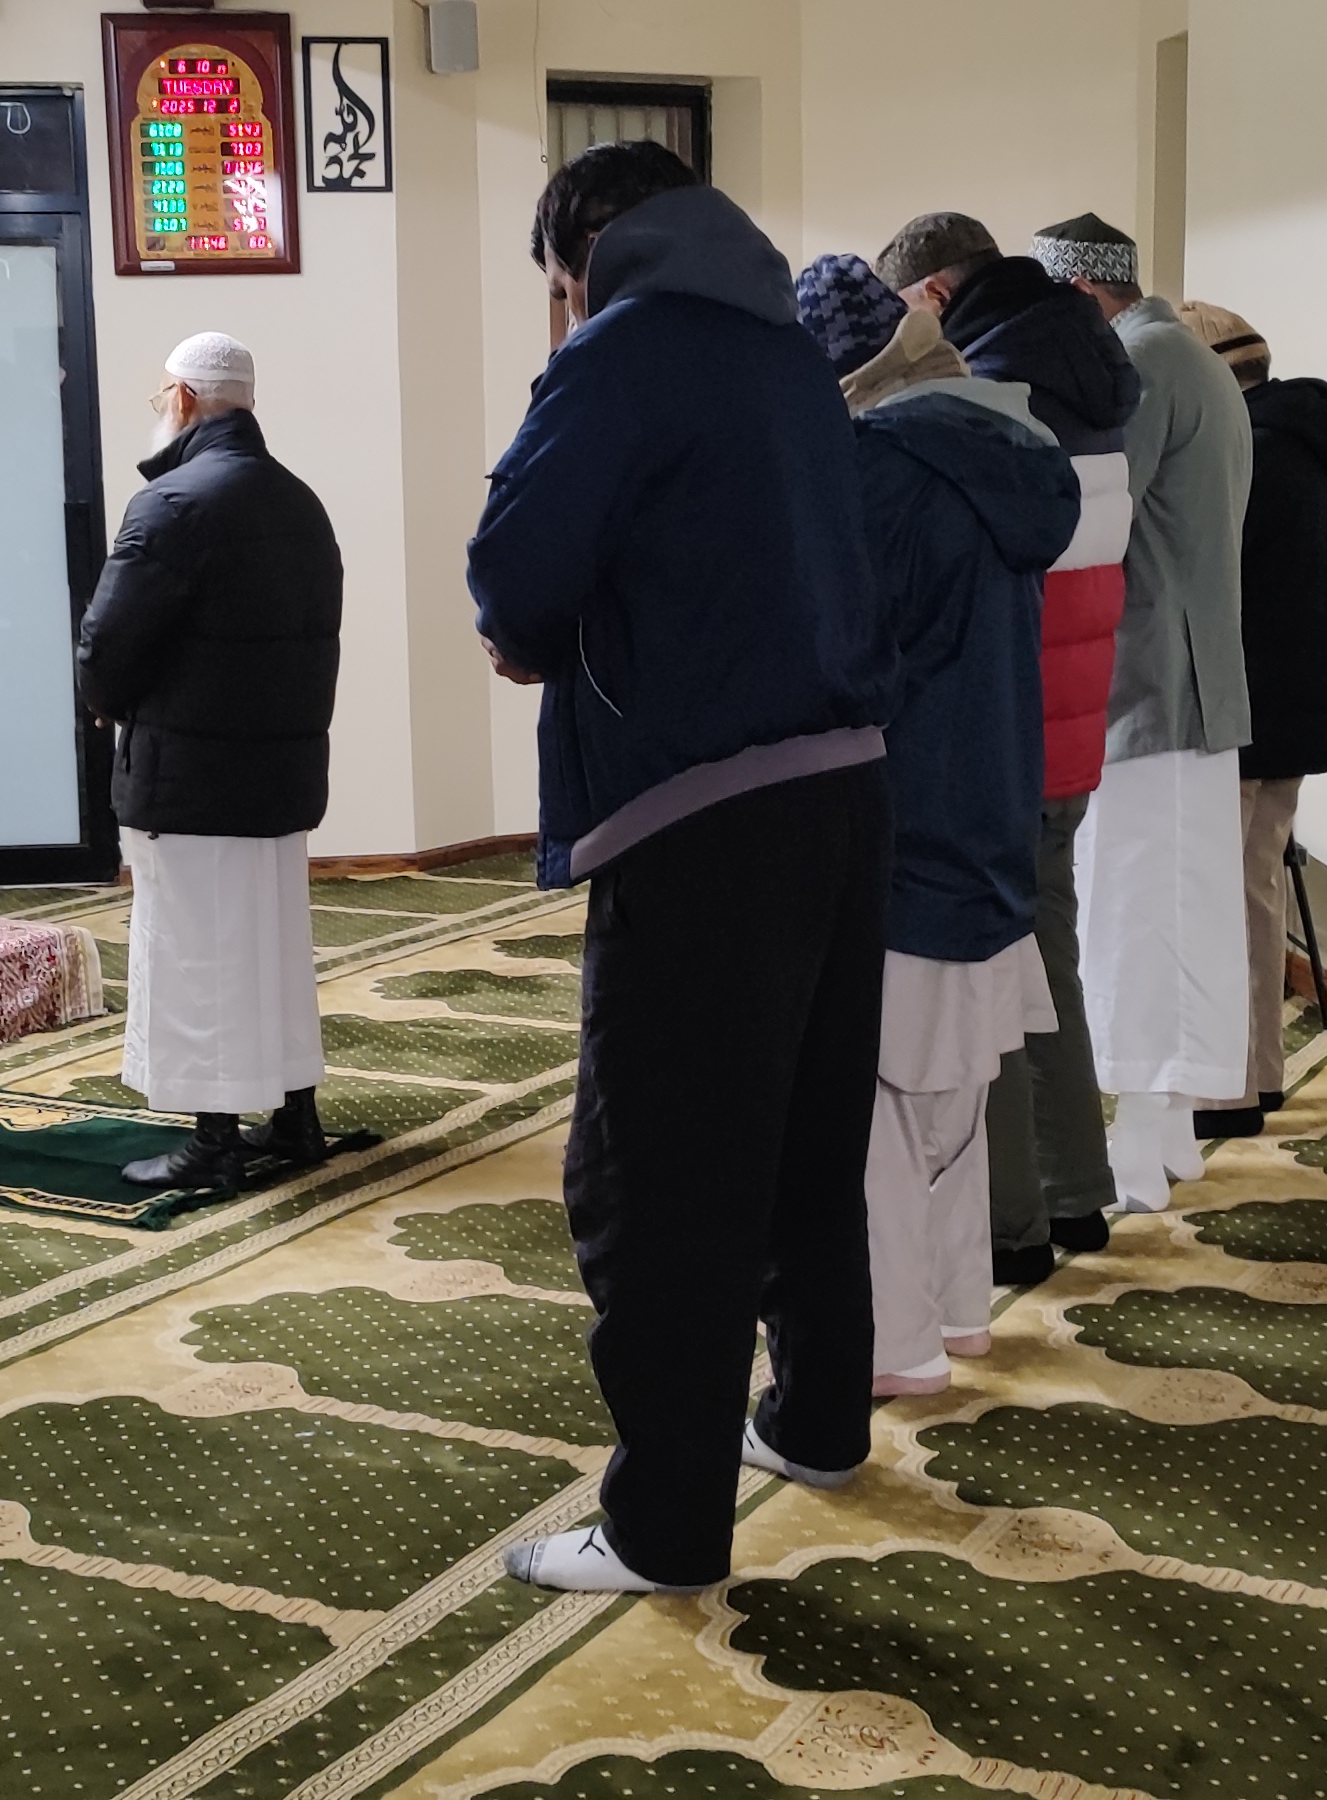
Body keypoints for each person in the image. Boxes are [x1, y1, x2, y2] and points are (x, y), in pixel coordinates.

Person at [467, 143, 894, 1595]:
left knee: (655, 1180)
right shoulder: (788, 352)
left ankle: (663, 1525)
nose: (557, 311)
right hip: (846, 790)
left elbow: (515, 577)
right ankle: (821, 1423)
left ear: (584, 255)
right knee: (804, 1145)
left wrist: (540, 627)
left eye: (554, 286)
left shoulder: (622, 353)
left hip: (698, 815)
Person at [794, 254, 1077, 1397]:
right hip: (995, 804)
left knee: (864, 1110)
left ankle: (889, 1345)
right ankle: (957, 1311)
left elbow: (841, 664)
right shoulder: (1001, 448)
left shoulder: (875, 472)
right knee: (950, 1101)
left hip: (902, 817)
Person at [874, 212, 1141, 1284]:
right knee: (1050, 963)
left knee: (990, 987)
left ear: (933, 294)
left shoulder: (985, 396)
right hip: (1075, 706)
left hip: (1003, 719)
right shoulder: (1098, 369)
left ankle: (1010, 1227)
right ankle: (1078, 1194)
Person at [75, 331, 344, 1189]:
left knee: (196, 952)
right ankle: (295, 1114)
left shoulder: (172, 505)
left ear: (185, 399)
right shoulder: (301, 503)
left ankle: (215, 1140)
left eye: (162, 398)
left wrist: (102, 696)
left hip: (190, 777)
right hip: (279, 775)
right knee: (271, 948)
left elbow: (108, 645)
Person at [1029, 213, 1253, 1215]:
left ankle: (1135, 1149)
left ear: (1080, 294)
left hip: (1152, 681)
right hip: (1184, 681)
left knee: (1132, 914)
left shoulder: (1145, 365)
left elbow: (1098, 519)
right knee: (1170, 908)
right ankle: (1163, 1134)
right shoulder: (1189, 355)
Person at [1179, 303, 1327, 1138]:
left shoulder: (1242, 453)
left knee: (1218, 898)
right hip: (1299, 704)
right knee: (1252, 893)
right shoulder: (1316, 446)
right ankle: (1256, 1074)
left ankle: (1224, 1088)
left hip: (1241, 707)